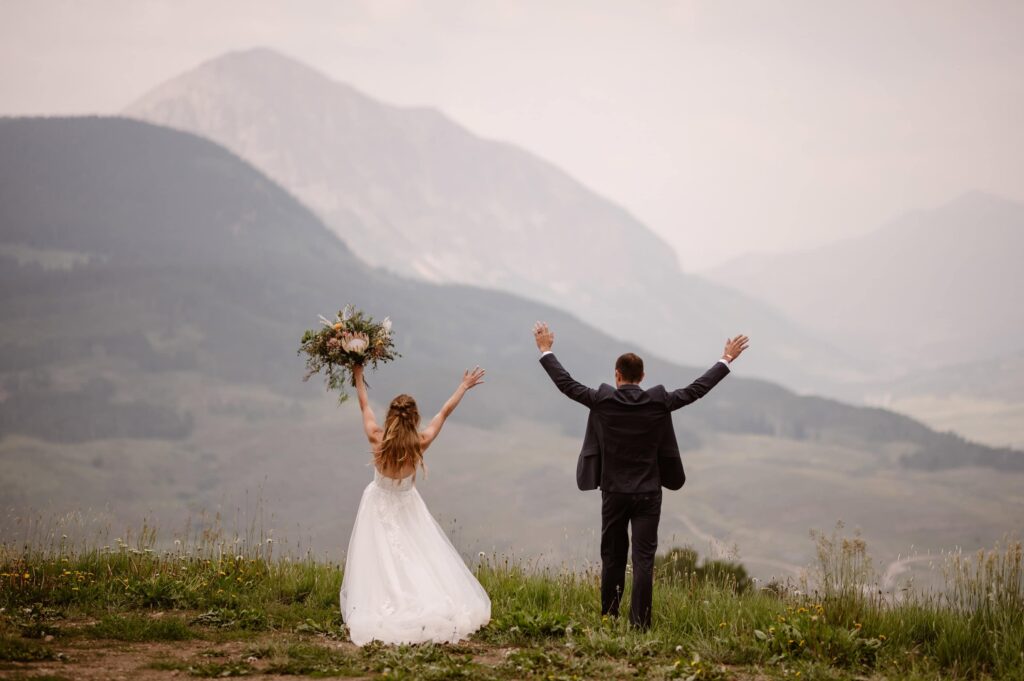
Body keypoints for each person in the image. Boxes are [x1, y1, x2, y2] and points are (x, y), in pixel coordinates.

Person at [533, 321, 749, 629]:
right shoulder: (658, 402)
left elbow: (566, 384)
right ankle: (640, 625)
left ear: (617, 375)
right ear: (642, 377)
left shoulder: (602, 401)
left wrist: (545, 349)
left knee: (613, 557)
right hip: (649, 494)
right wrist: (725, 359)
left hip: (614, 492)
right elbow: (696, 390)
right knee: (644, 561)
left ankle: (609, 619)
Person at [339, 361, 491, 645]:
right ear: (415, 418)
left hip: (377, 507)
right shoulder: (421, 443)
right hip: (409, 507)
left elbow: (364, 406)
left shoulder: (377, 439)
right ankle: (422, 601)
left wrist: (358, 376)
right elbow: (444, 412)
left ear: (391, 417)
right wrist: (463, 386)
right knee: (415, 555)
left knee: (380, 559)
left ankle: (386, 602)